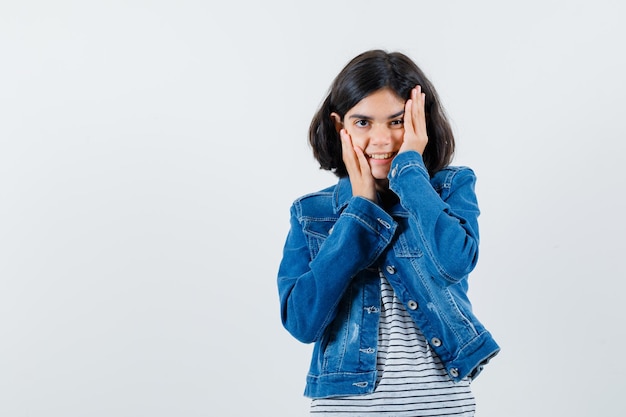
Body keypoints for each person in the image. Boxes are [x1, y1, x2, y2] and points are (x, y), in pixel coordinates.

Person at [277, 49, 500, 416]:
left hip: (440, 403)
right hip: (346, 407)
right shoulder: (310, 213)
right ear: (340, 127)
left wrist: (409, 169)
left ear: (419, 123)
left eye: (396, 122)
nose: (381, 140)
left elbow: (454, 262)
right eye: (363, 122)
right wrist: (360, 209)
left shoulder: (450, 188)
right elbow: (303, 322)